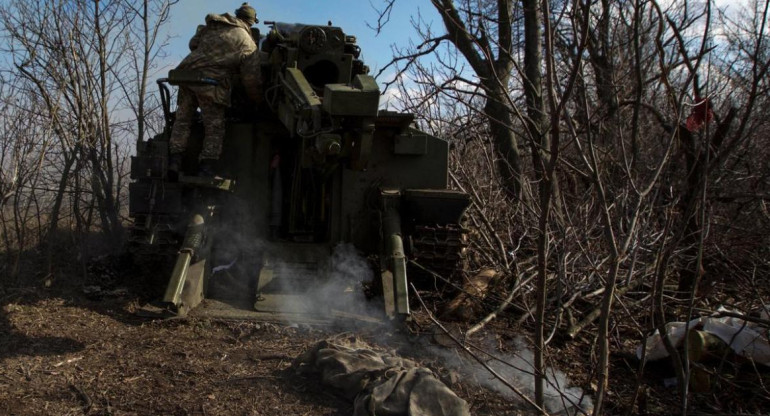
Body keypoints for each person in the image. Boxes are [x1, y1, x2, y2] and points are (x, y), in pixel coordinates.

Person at [168, 3, 259, 178]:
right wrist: (257, 100)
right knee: (214, 127)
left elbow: (193, 44)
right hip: (210, 83)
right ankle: (206, 168)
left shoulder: (212, 25)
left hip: (187, 75)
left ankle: (175, 161)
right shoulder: (247, 42)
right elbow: (251, 80)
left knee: (182, 121)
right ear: (251, 23)